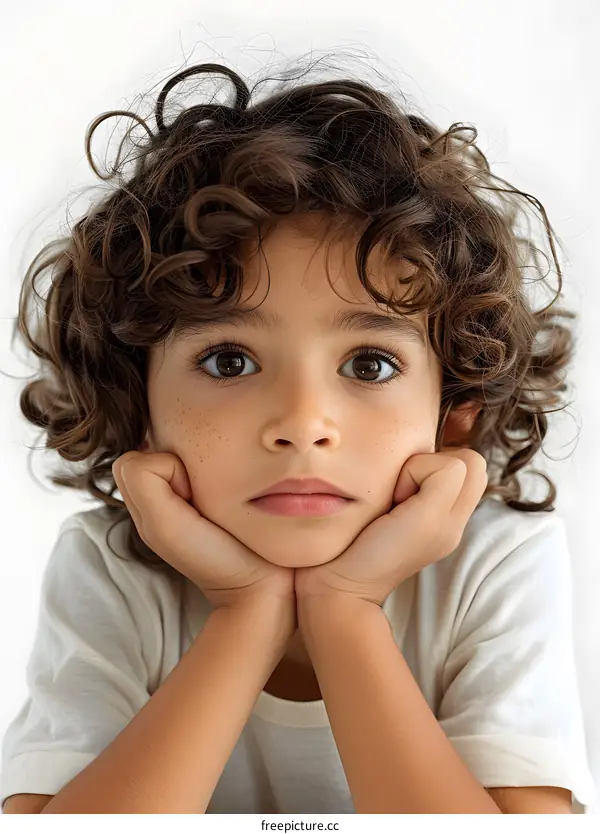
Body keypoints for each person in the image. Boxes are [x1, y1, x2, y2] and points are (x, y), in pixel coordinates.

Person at [0, 54, 596, 814]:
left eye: (371, 364)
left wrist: (345, 610)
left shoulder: (493, 563)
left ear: (456, 408)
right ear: (136, 398)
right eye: (228, 359)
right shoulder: (114, 572)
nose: (302, 425)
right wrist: (244, 613)